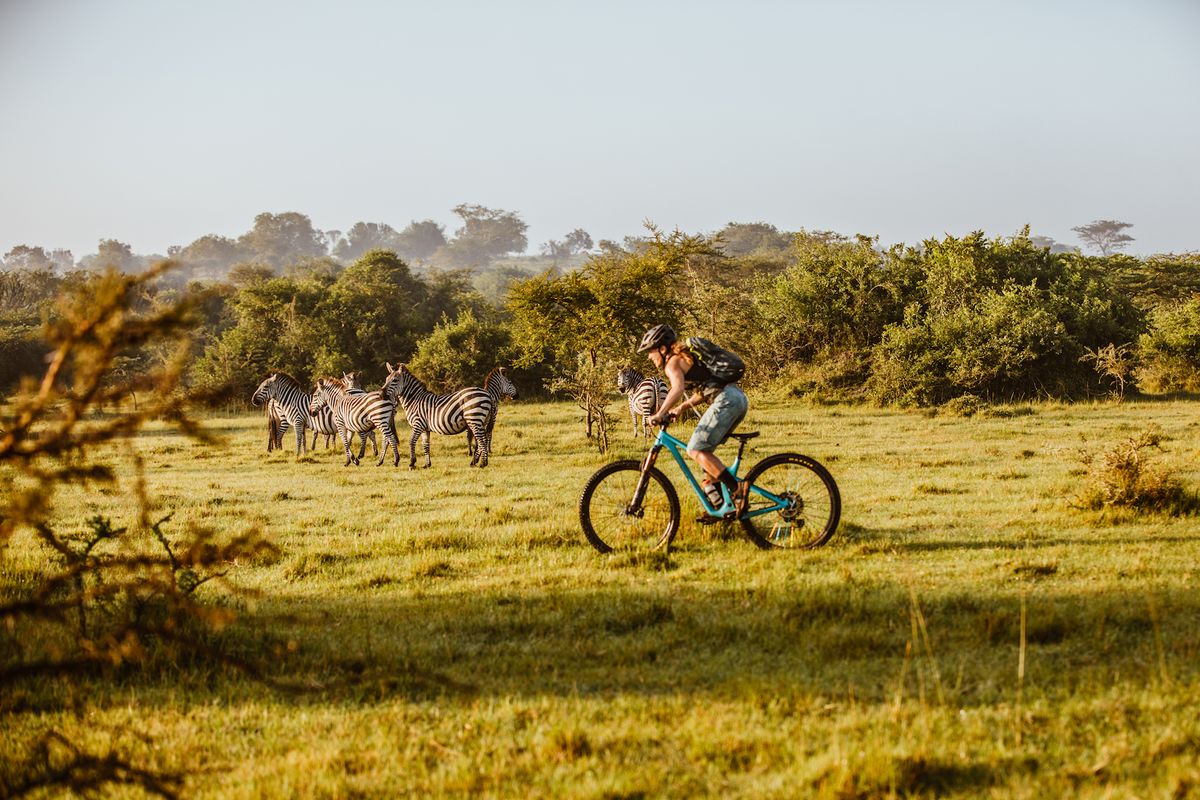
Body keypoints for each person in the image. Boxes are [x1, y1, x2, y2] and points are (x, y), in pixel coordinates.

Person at [637, 324, 749, 517]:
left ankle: (737, 489)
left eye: (650, 351)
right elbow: (703, 392)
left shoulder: (672, 362)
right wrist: (680, 408)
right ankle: (720, 506)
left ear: (662, 349)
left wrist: (659, 413)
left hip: (727, 401)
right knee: (705, 453)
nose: (649, 356)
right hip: (737, 399)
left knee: (695, 449)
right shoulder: (685, 359)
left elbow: (677, 388)